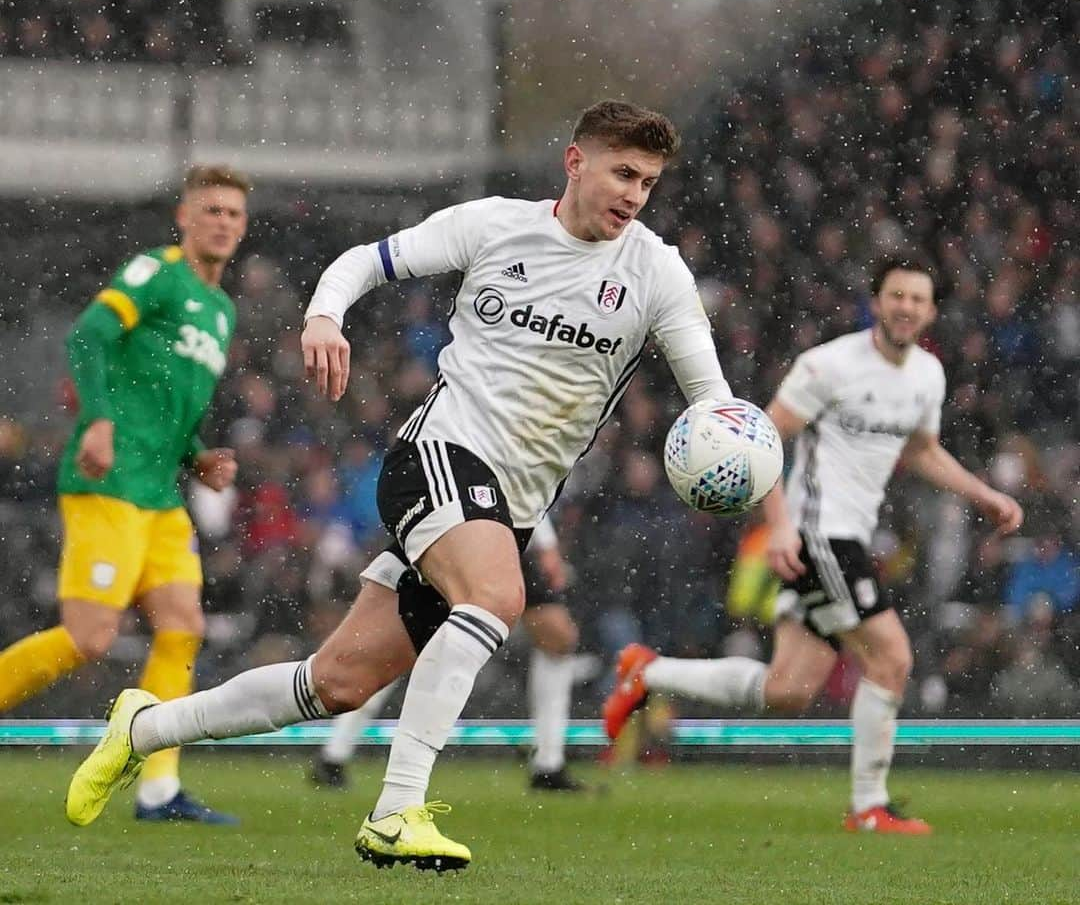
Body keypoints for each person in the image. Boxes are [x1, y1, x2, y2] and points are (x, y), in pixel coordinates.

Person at [66, 99, 737, 871]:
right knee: (497, 597)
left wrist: (728, 444)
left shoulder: (655, 270)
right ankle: (396, 809)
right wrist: (324, 316)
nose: (633, 194)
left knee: (334, 683)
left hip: (510, 505)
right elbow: (363, 261)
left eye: (648, 182)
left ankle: (141, 730)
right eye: (623, 172)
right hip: (439, 457)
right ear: (575, 161)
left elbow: (710, 396)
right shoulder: (494, 225)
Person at [604, 253, 1024, 834]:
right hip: (818, 536)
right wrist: (777, 525)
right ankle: (869, 806)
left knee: (788, 690)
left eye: (917, 299)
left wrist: (983, 495)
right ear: (876, 303)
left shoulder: (928, 376)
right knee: (893, 657)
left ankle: (646, 672)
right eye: (895, 296)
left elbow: (921, 450)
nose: (905, 307)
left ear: (930, 312)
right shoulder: (827, 366)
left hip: (845, 540)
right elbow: (762, 440)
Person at [1, 164, 249, 823]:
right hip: (109, 483)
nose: (223, 221)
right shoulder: (156, 272)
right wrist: (100, 419)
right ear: (185, 218)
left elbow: (175, 399)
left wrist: (198, 458)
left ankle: (159, 789)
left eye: (233, 213)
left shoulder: (221, 310)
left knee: (183, 626)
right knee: (88, 636)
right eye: (212, 210)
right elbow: (88, 334)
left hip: (162, 495)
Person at [310, 515, 588, 792]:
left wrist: (543, 541)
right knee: (405, 640)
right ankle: (335, 755)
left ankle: (549, 764)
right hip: (461, 525)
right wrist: (547, 543)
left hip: (502, 531)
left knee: (558, 638)